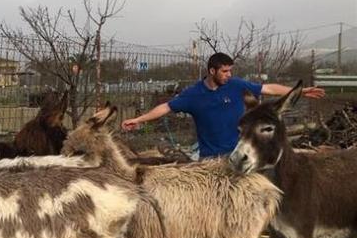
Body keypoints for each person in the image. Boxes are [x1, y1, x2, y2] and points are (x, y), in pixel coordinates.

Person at [121, 52, 326, 158]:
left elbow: (268, 89)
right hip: (210, 159)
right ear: (212, 71)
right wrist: (139, 119)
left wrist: (301, 91)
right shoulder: (193, 94)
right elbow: (165, 107)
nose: (229, 75)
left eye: (230, 71)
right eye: (225, 71)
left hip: (240, 154)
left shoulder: (237, 86)